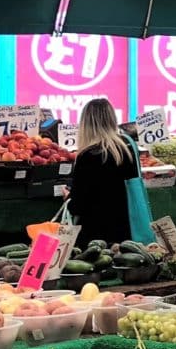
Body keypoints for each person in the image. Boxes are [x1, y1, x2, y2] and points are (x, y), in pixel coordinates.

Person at [67, 99, 137, 244]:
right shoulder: (127, 149)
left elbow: (78, 206)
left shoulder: (87, 156)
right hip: (125, 231)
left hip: (95, 236)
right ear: (112, 119)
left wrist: (69, 198)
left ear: (86, 123)